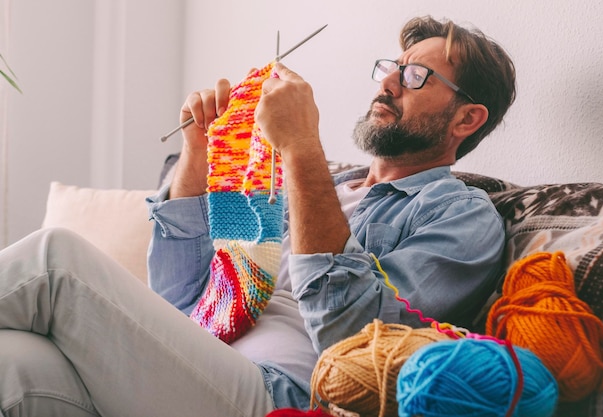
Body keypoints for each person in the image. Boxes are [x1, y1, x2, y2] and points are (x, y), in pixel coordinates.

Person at [0, 15, 515, 417]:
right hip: (191, 363)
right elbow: (180, 295)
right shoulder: (318, 187)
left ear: (466, 118)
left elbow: (355, 341)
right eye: (391, 68)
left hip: (274, 398)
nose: (389, 84)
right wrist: (197, 153)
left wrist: (301, 147)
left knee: (55, 259)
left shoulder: (462, 217)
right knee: (11, 362)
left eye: (416, 75)